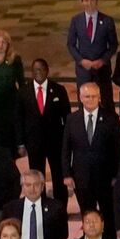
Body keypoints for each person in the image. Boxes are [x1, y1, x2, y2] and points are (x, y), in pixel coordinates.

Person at [66, 81, 120, 231]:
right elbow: (65, 149)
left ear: (99, 97)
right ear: (80, 97)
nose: (90, 99)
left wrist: (117, 175)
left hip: (106, 178)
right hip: (82, 178)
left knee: (109, 216)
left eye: (93, 96)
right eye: (87, 96)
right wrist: (67, 174)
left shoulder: (111, 119)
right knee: (87, 216)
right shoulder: (72, 119)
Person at [17, 57, 71, 198]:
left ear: (47, 71)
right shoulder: (23, 92)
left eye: (41, 69)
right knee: (37, 176)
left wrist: (67, 141)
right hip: (34, 143)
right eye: (35, 70)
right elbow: (19, 119)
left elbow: (67, 117)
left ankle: (60, 206)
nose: (38, 72)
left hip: (55, 142)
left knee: (59, 175)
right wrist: (21, 143)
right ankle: (40, 203)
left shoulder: (59, 90)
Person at [1, 168, 69, 239]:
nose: (32, 189)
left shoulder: (56, 207)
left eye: (36, 185)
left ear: (42, 186)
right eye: (28, 185)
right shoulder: (10, 209)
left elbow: (63, 234)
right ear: (22, 187)